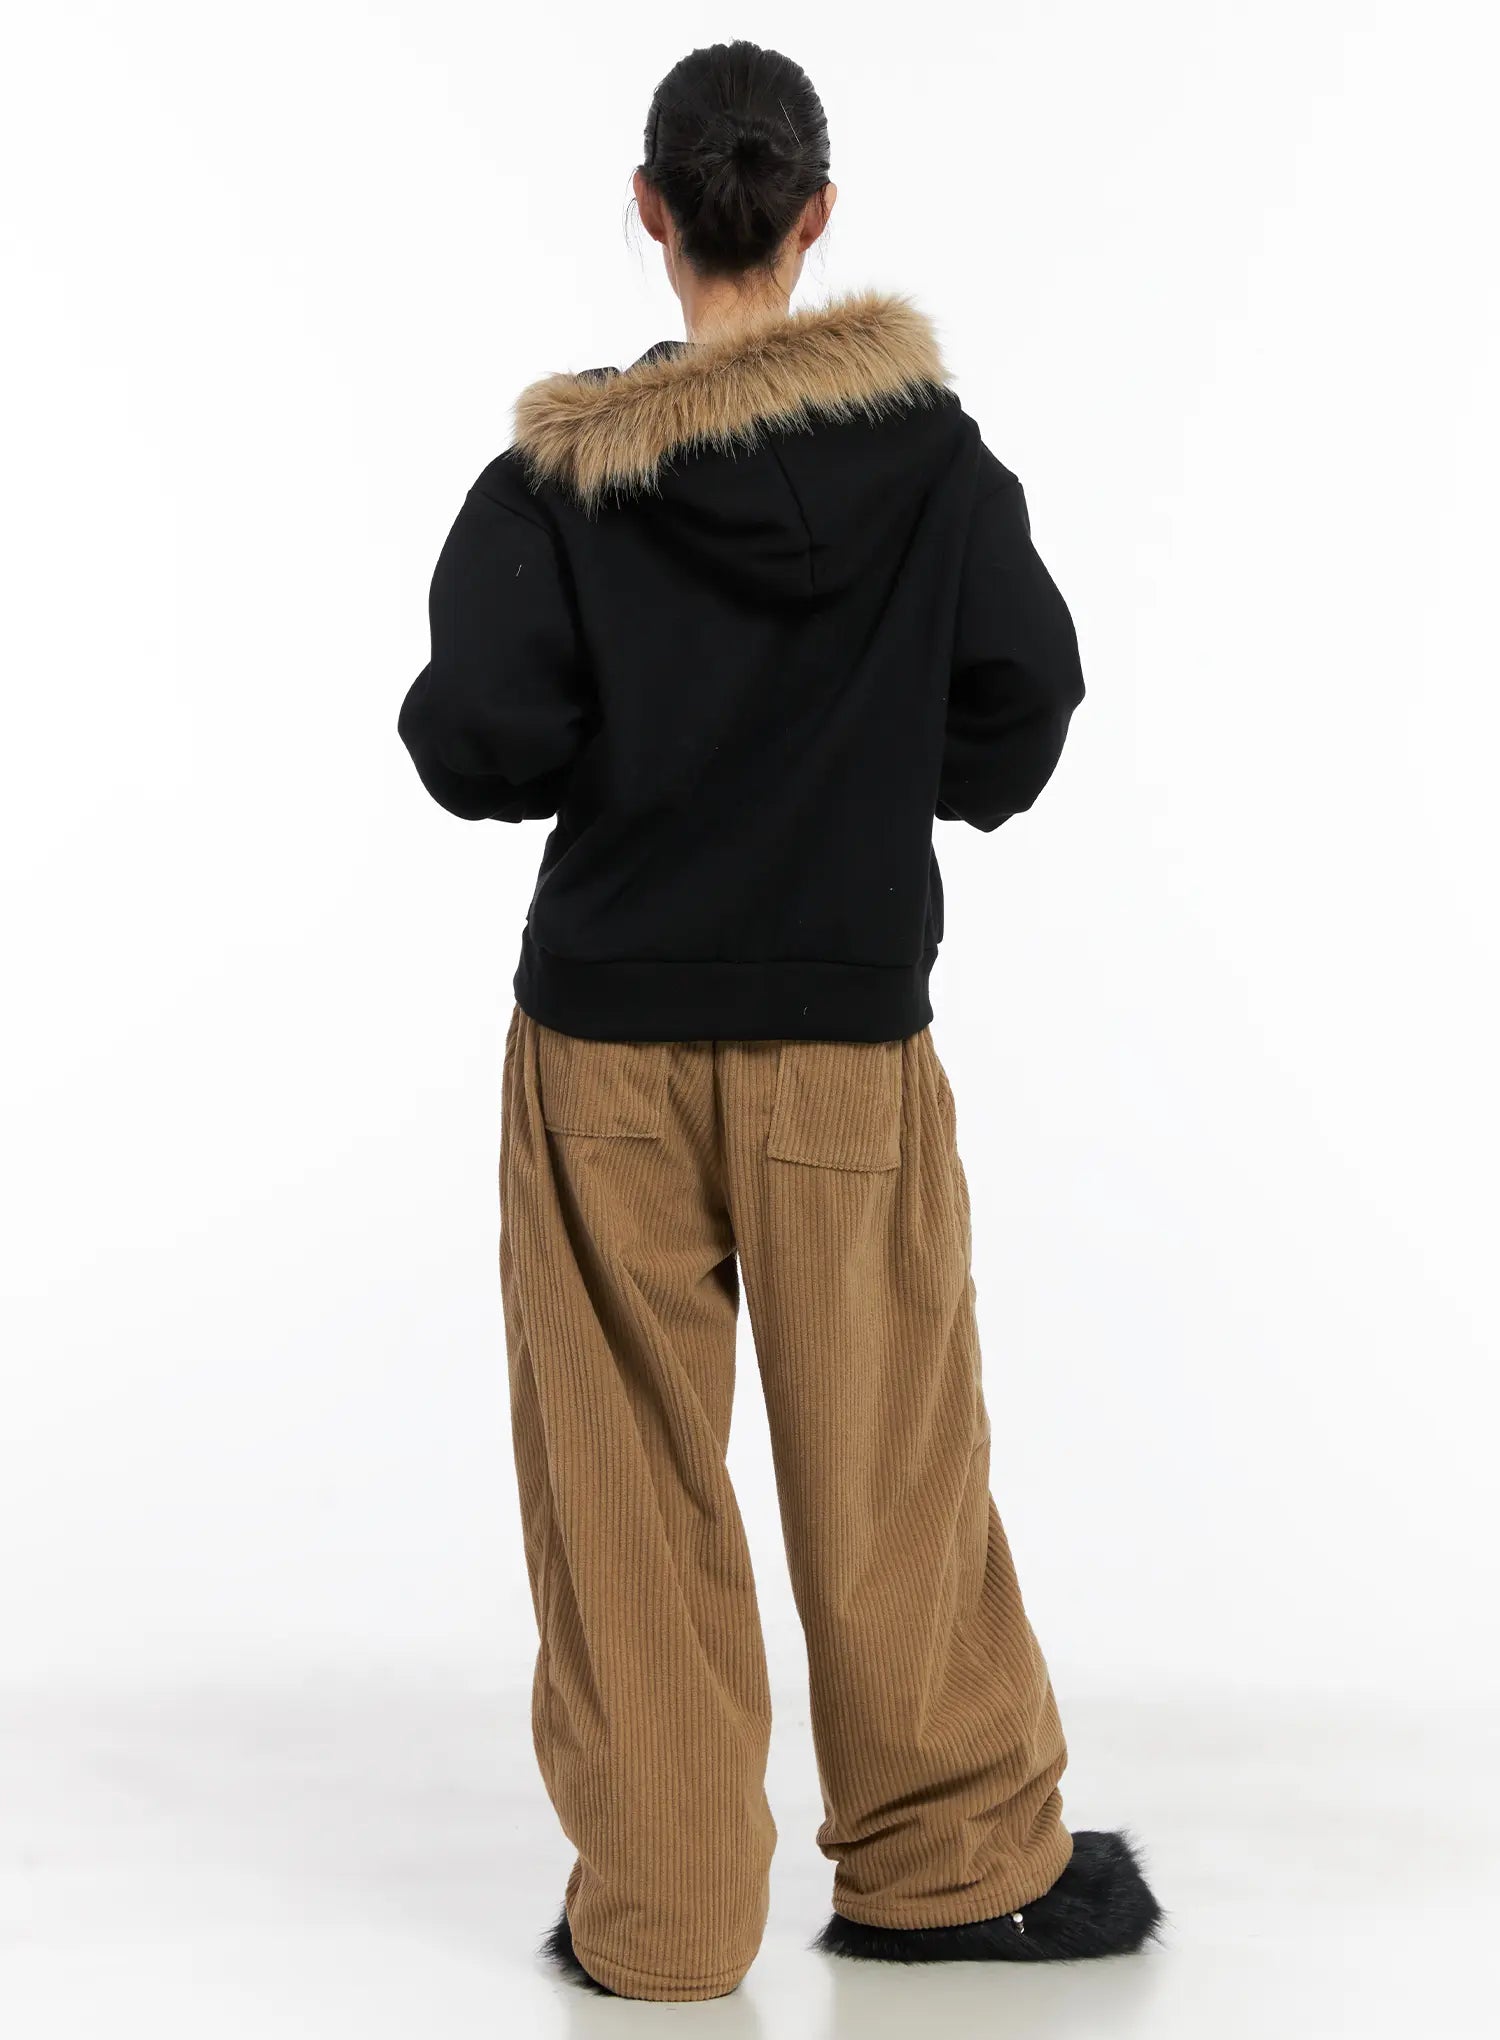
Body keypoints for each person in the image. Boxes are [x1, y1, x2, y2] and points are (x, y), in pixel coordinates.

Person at [398, 37, 1160, 2006]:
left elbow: (475, 741)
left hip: (606, 1046)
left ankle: (662, 1915)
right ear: (817, 214)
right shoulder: (935, 463)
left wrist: (634, 742)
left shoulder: (559, 480)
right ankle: (949, 1868)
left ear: (653, 211)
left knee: (621, 1478)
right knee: (891, 1455)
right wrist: (872, 776)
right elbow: (1025, 702)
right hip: (846, 1037)